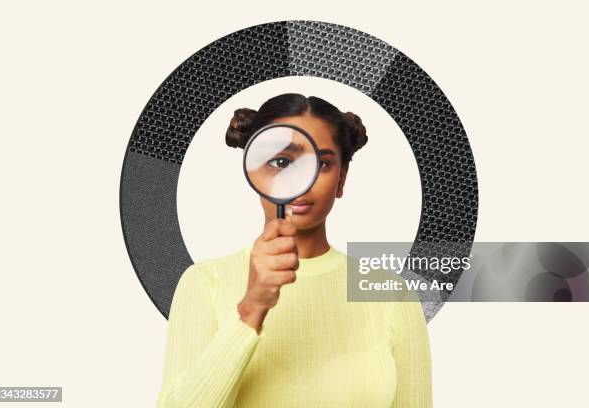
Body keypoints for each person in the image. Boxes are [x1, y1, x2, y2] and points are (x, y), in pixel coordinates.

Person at [156, 93, 432, 407]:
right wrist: (251, 308)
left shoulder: (392, 294)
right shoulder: (205, 283)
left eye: (323, 164)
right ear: (254, 172)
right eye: (282, 162)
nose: (302, 180)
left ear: (341, 179)